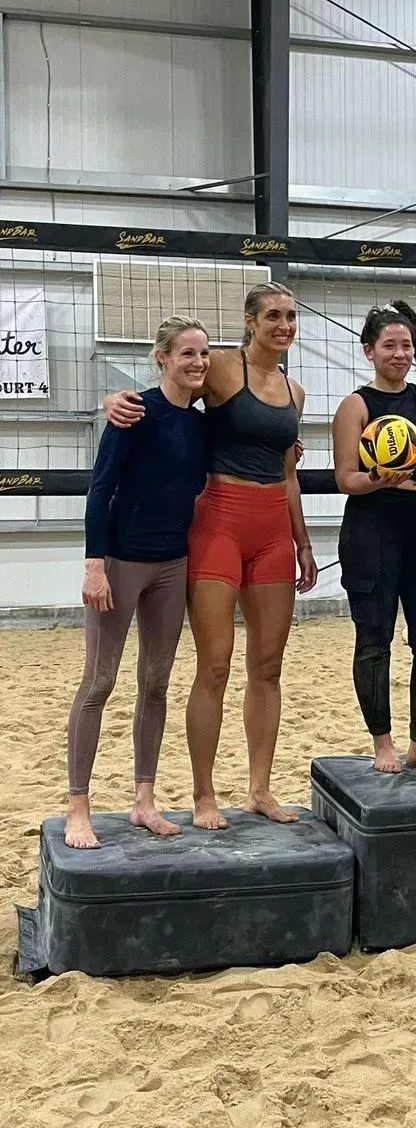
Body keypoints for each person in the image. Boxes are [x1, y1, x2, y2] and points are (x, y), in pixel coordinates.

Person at [103, 283, 318, 829]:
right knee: (215, 665)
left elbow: (290, 475)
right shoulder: (221, 366)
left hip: (273, 528)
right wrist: (114, 403)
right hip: (220, 521)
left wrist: (304, 542)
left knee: (268, 667)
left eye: (291, 316)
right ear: (250, 322)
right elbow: (170, 397)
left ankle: (259, 790)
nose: (284, 325)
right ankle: (204, 796)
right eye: (273, 315)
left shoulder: (296, 393)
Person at [65, 316, 210, 848]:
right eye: (186, 353)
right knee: (99, 683)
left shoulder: (200, 425)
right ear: (162, 357)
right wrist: (94, 563)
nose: (197, 362)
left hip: (173, 565)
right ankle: (78, 803)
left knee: (155, 683)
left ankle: (143, 800)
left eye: (203, 354)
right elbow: (100, 488)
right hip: (121, 563)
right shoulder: (134, 412)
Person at [333, 300, 416, 774]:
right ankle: (383, 742)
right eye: (390, 345)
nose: (400, 353)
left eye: (407, 345)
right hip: (373, 520)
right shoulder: (356, 405)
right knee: (374, 638)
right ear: (369, 351)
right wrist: (381, 476)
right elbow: (346, 477)